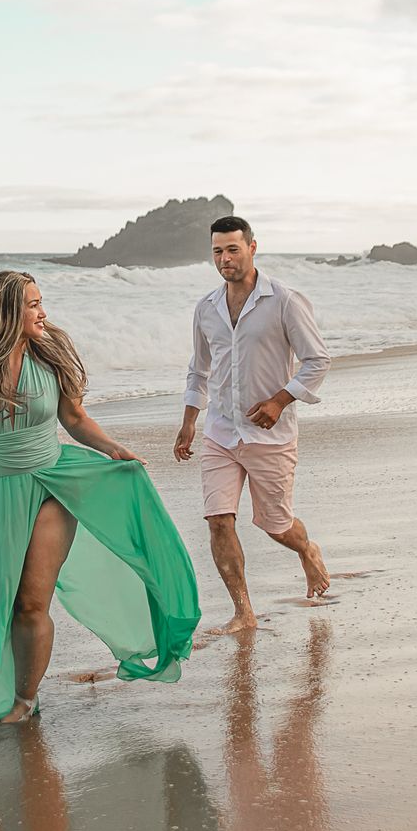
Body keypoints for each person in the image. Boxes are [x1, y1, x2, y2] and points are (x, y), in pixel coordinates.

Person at [0, 270, 200, 750]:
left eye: (41, 302)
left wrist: (113, 449)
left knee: (32, 601)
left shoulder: (49, 356)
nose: (43, 312)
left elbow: (73, 419)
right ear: (7, 312)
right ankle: (17, 668)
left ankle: (24, 697)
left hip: (53, 482)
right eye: (33, 304)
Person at [174, 216, 332, 633]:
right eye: (217, 251)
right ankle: (243, 612)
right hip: (220, 432)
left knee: (276, 526)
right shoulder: (206, 308)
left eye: (232, 249)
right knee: (218, 519)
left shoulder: (284, 300)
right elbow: (199, 370)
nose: (224, 258)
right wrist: (190, 421)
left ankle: (308, 550)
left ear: (252, 248)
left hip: (270, 435)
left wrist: (281, 400)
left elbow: (317, 360)